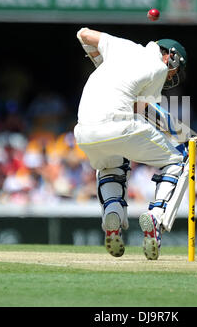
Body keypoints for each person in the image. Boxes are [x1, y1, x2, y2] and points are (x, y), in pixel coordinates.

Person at [74, 27, 189, 260]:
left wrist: (99, 61)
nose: (171, 76)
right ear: (171, 56)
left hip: (84, 130)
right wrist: (181, 133)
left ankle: (113, 212)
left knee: (111, 164)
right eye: (174, 69)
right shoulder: (157, 67)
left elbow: (83, 34)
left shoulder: (120, 46)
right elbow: (141, 110)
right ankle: (156, 218)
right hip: (118, 125)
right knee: (179, 159)